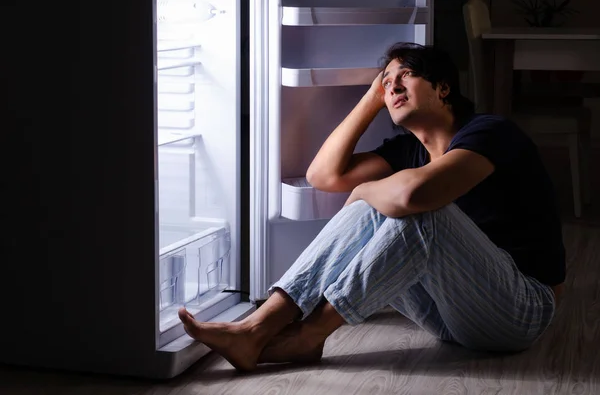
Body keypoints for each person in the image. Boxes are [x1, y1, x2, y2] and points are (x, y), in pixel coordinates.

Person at [177, 42, 566, 371]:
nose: (393, 86)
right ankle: (258, 326)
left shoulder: (490, 132)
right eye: (387, 82)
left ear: (443, 88)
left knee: (416, 211)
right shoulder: (407, 151)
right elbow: (323, 175)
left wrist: (366, 189)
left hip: (520, 310)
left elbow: (416, 197)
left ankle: (309, 335)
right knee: (376, 204)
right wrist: (370, 101)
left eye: (405, 77)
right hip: (448, 314)